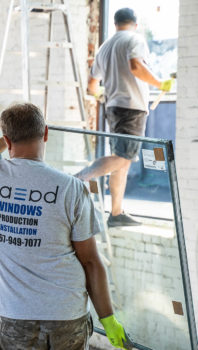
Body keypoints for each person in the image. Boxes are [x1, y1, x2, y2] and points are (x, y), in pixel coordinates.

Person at [0, 103, 133, 349]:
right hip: (65, 314)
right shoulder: (70, 188)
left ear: (7, 140)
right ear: (46, 134)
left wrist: (8, 138)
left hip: (14, 315)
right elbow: (91, 261)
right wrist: (108, 319)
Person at [75, 7, 174, 227]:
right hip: (131, 108)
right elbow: (136, 66)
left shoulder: (105, 46)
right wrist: (159, 83)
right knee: (123, 158)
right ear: (135, 24)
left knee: (121, 160)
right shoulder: (134, 39)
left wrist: (103, 91)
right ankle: (78, 178)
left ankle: (116, 213)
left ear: (115, 23)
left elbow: (92, 85)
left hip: (114, 108)